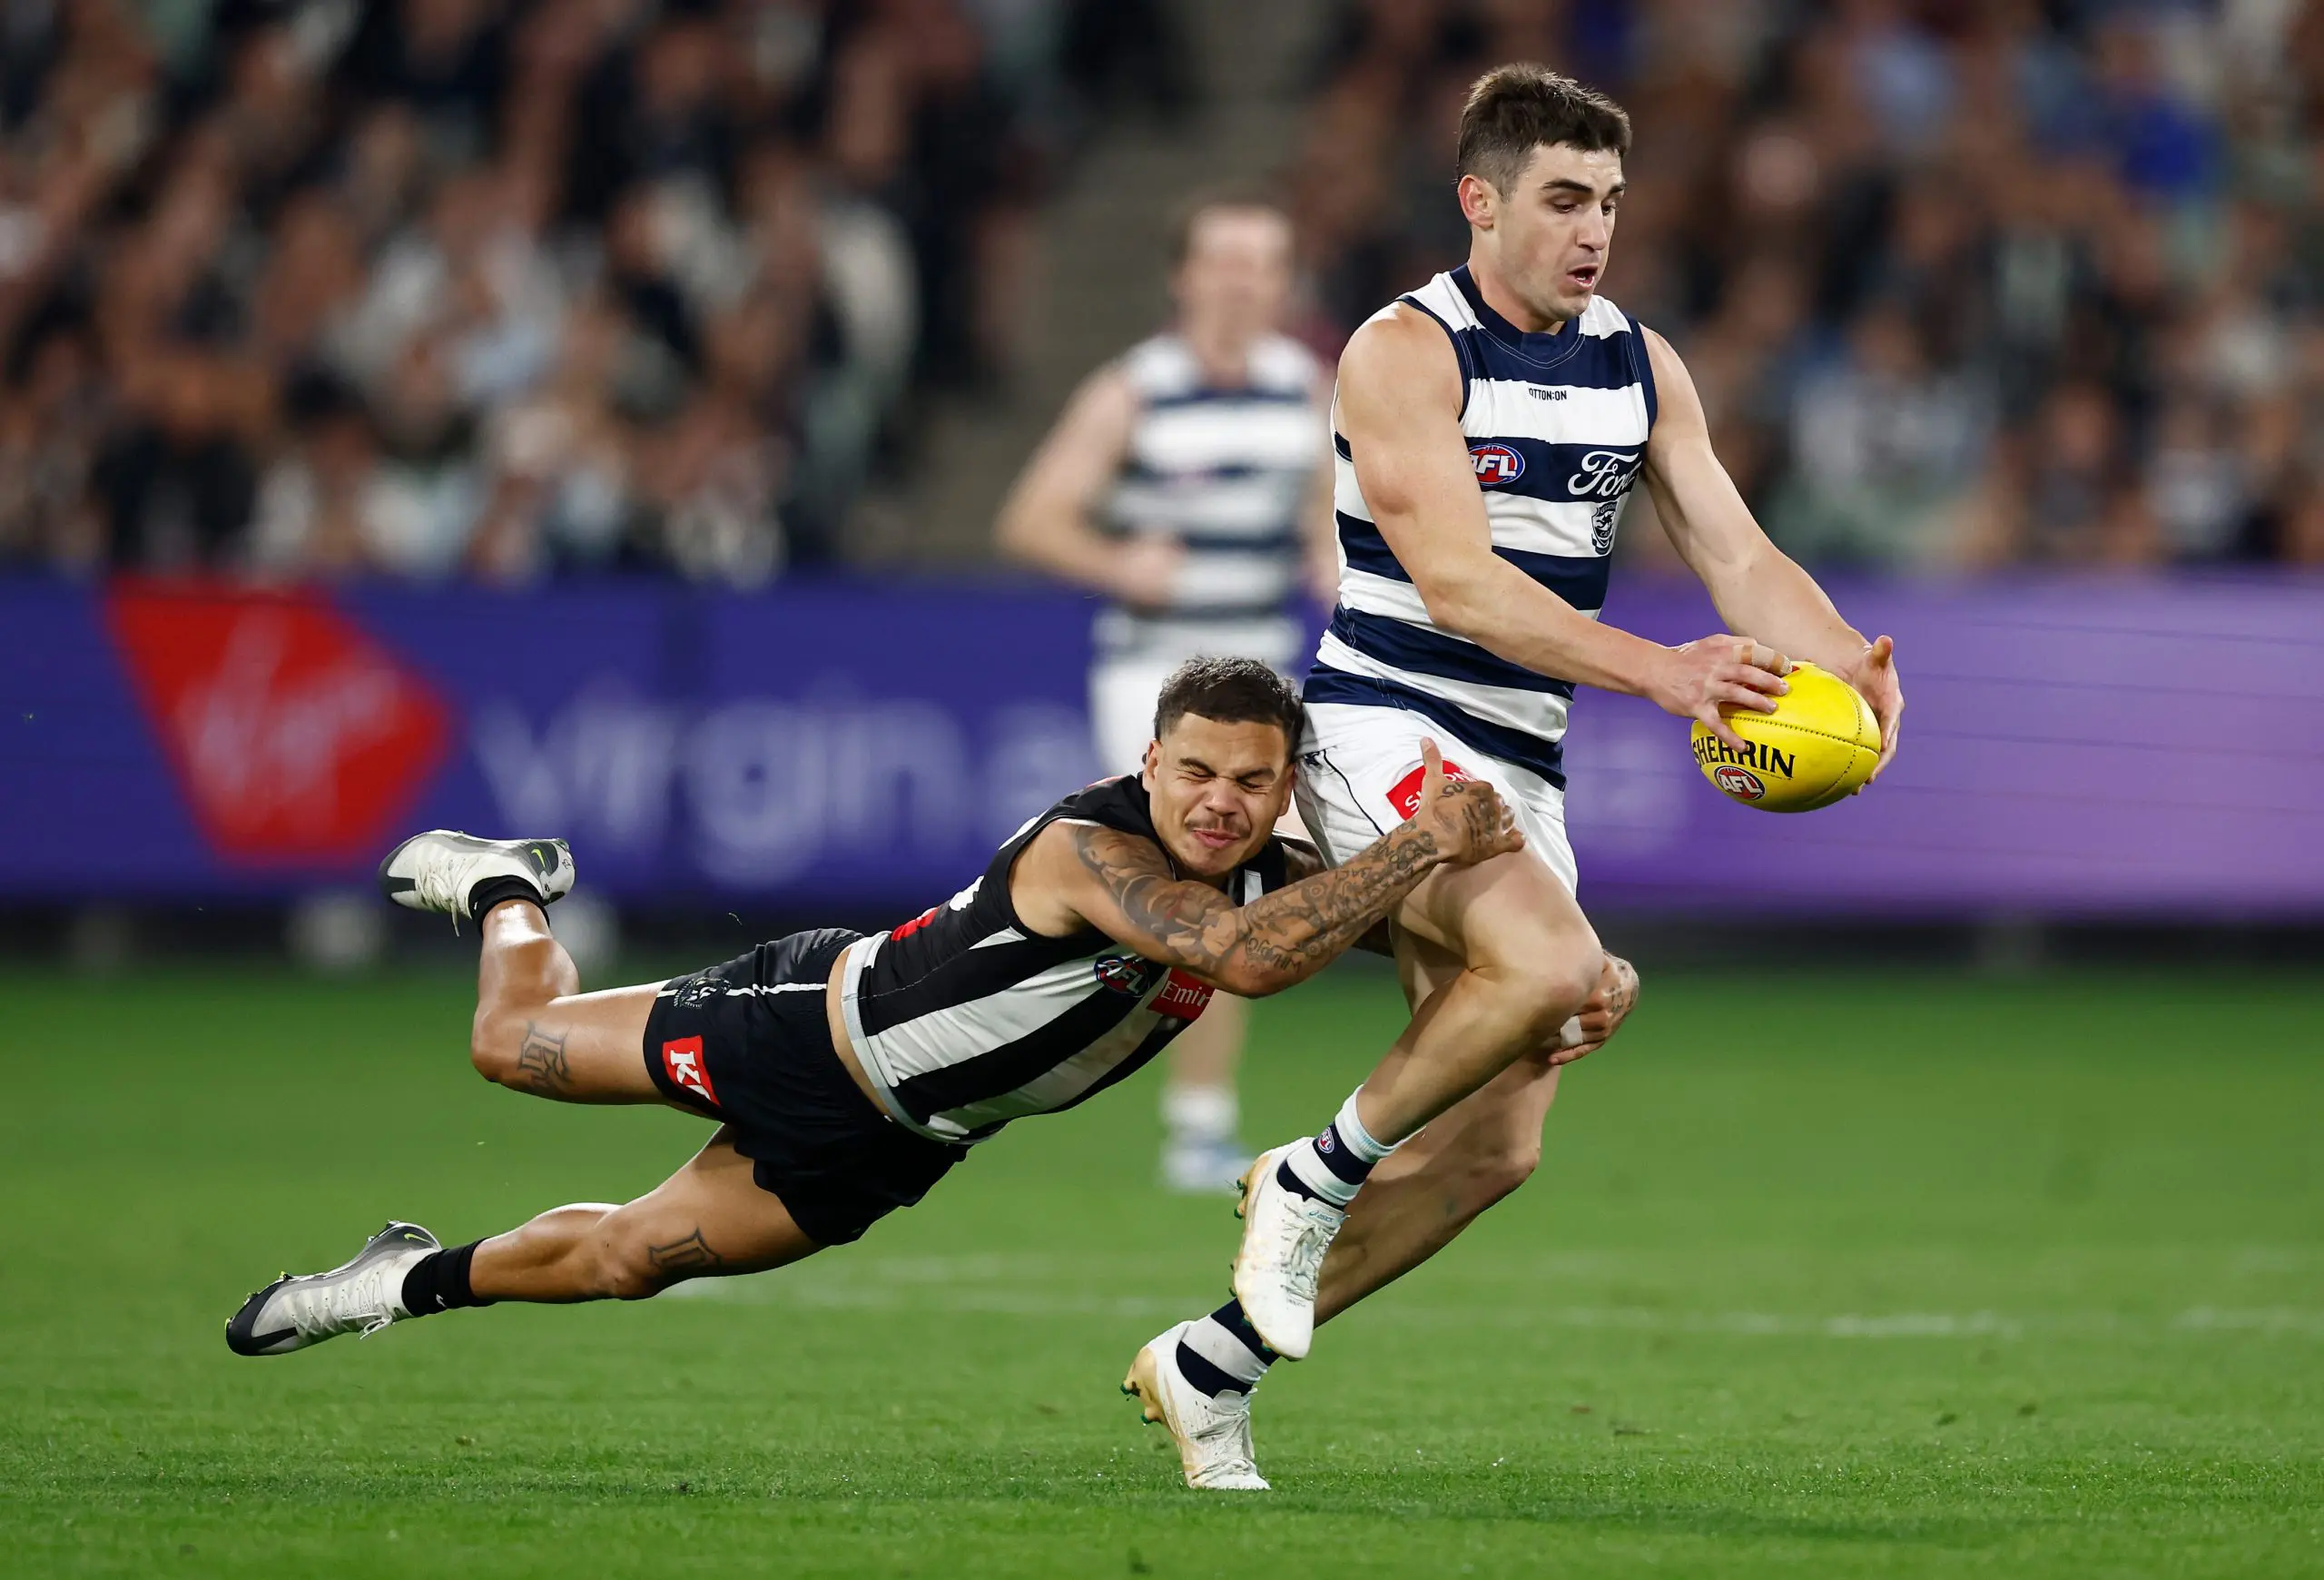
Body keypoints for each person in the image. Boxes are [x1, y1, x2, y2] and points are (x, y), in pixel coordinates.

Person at [222, 661, 1562, 1496]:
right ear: (1149, 761)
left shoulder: (1275, 872)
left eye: (1249, 783)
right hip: (803, 1027)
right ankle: (506, 881)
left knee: (627, 1262)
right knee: (508, 1042)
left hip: (901, 1141)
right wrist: (1416, 851)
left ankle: (395, 1278)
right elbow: (1248, 959)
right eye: (1194, 770)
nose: (1216, 800)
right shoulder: (1091, 848)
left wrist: (1557, 978)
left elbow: (1413, 943)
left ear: (1283, 797)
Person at [1128, 64, 1904, 1486]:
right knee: (1553, 969)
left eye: (1608, 200)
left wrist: (1850, 663)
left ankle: (1210, 1367)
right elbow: (1460, 586)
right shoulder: (1403, 350)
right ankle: (1307, 1174)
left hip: (1523, 757)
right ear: (1481, 203)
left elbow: (1735, 553)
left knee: (1499, 1148)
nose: (1592, 227)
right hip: (1387, 723)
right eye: (1561, 199)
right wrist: (1665, 672)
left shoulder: (1639, 362)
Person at [997, 193, 1334, 1192]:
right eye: (1224, 261)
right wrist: (1116, 561)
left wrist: (1332, 563)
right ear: (1184, 277)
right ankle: (1159, 1106)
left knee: (1231, 890)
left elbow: (1321, 516)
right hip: (1155, 678)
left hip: (1266, 674)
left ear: (1282, 281)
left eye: (1261, 264)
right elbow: (1033, 519)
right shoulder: (1133, 391)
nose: (1241, 281)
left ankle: (1193, 1118)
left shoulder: (1302, 388)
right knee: (1186, 892)